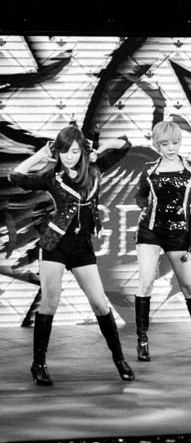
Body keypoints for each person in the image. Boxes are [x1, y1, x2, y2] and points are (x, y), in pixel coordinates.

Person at [9, 124, 134, 385]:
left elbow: (125, 145)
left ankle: (120, 360)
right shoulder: (51, 176)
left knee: (100, 304)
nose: (69, 156)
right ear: (58, 151)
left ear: (82, 151)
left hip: (81, 247)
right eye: (64, 151)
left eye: (75, 151)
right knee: (50, 303)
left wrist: (101, 148)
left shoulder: (95, 170)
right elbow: (16, 176)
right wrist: (40, 156)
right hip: (54, 244)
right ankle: (38, 364)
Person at [134, 121, 191, 360]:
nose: (171, 148)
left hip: (179, 233)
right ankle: (142, 340)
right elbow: (140, 195)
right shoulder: (149, 169)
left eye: (175, 142)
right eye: (164, 144)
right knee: (146, 281)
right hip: (150, 231)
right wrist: (146, 206)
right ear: (156, 145)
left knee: (189, 286)